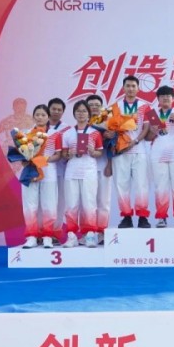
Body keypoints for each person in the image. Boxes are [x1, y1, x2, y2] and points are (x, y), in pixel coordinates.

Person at [60, 100, 104, 248]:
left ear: (89, 114)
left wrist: (92, 152)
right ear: (74, 114)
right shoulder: (67, 133)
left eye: (84, 111)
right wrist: (69, 154)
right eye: (78, 111)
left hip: (89, 171)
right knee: (71, 205)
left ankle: (90, 235)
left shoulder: (95, 133)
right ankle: (72, 236)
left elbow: (100, 152)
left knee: (89, 204)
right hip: (72, 171)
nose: (81, 114)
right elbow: (64, 155)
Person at [110, 75, 152, 228]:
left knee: (141, 185)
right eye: (128, 86)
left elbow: (149, 127)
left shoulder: (146, 106)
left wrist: (135, 141)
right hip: (121, 151)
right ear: (123, 88)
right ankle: (126, 216)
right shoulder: (115, 106)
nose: (130, 89)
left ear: (138, 88)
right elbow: (110, 127)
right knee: (121, 185)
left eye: (133, 86)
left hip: (139, 150)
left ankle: (142, 217)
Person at [19, 104, 62, 249]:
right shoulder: (25, 134)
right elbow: (22, 156)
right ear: (33, 116)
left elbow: (58, 155)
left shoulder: (55, 134)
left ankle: (47, 236)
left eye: (43, 115)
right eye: (37, 114)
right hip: (30, 171)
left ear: (48, 117)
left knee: (49, 205)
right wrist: (26, 160)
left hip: (48, 172)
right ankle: (31, 236)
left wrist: (45, 159)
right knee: (30, 205)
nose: (40, 117)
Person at [147, 85, 174, 228]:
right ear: (158, 99)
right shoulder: (153, 114)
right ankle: (161, 217)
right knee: (160, 187)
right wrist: (152, 131)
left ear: (173, 98)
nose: (165, 98)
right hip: (158, 155)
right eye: (162, 96)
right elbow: (148, 137)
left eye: (168, 96)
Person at [86, 94, 112, 243]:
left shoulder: (108, 124)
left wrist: (110, 164)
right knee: (87, 202)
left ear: (101, 107)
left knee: (103, 201)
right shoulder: (81, 125)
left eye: (97, 105)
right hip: (85, 167)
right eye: (91, 105)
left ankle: (102, 233)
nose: (94, 107)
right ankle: (87, 232)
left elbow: (113, 147)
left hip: (103, 166)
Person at [46, 98, 71, 241]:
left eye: (59, 110)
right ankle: (42, 232)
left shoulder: (68, 129)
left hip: (61, 169)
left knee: (60, 201)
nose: (56, 112)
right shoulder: (39, 127)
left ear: (63, 112)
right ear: (48, 109)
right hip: (43, 171)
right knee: (44, 202)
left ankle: (55, 232)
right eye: (53, 109)